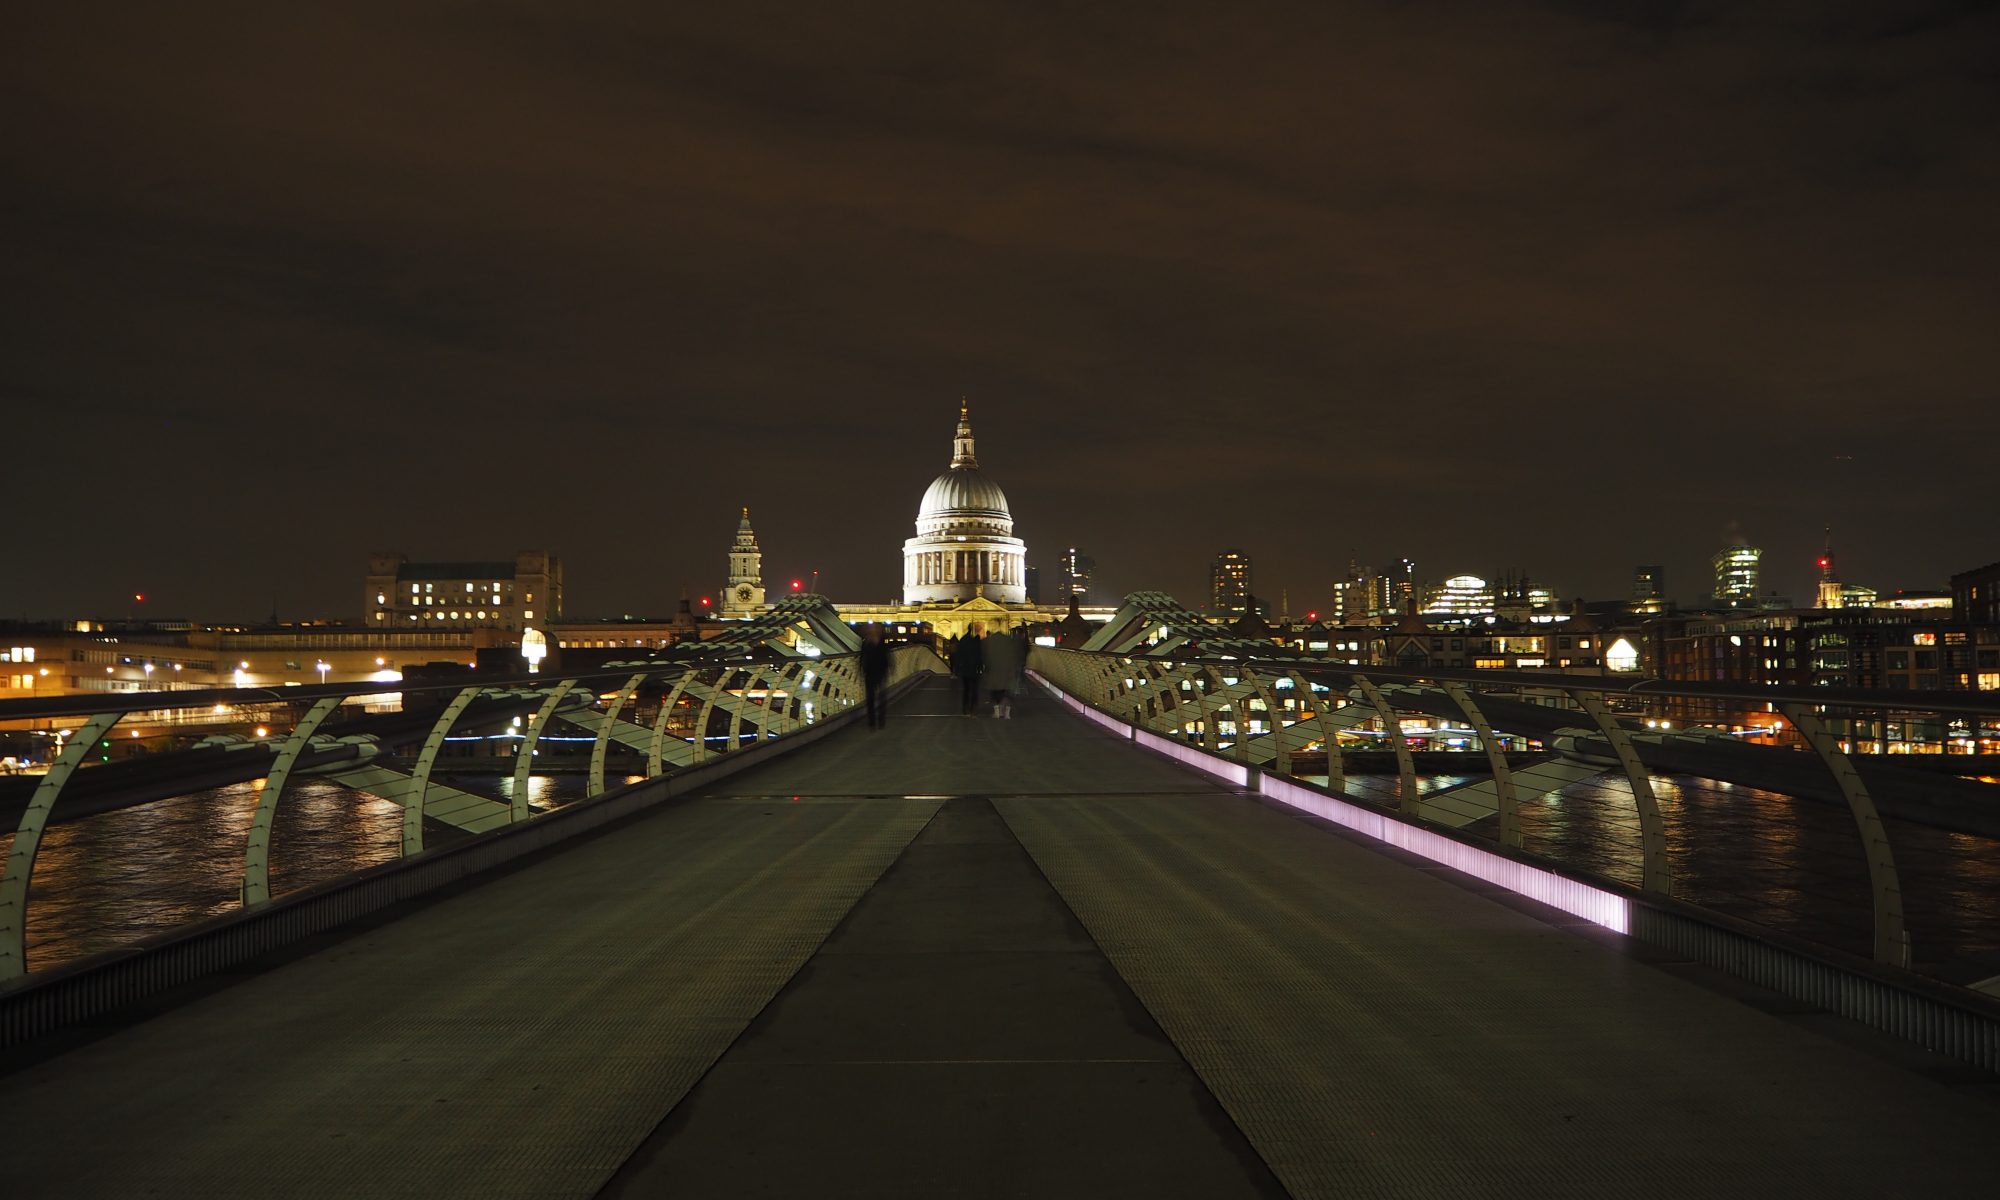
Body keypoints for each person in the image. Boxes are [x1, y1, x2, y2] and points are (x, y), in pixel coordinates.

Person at [981, 625, 1023, 718]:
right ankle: (1006, 713)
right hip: (1007, 673)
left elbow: (985, 658)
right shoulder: (1009, 642)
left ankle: (997, 711)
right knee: (1007, 692)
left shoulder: (989, 642)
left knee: (995, 692)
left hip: (994, 672)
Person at [858, 622, 891, 730]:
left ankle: (878, 721)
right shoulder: (879, 643)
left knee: (878, 699)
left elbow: (862, 659)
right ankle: (873, 722)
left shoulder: (870, 644)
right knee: (872, 699)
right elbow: (862, 659)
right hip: (872, 674)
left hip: (878, 674)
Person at [948, 624, 984, 716]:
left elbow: (958, 655)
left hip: (965, 669)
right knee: (974, 689)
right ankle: (973, 708)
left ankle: (965, 708)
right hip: (974, 669)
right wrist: (981, 667)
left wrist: (956, 669)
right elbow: (980, 655)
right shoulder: (977, 640)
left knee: (966, 689)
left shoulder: (963, 639)